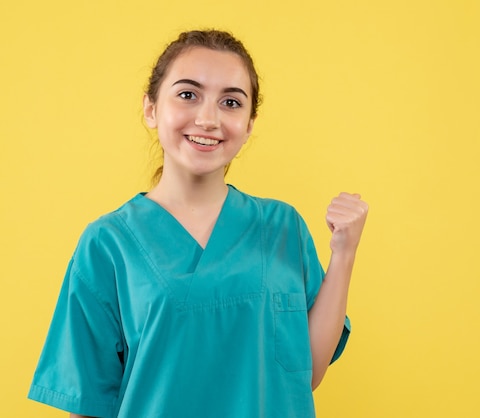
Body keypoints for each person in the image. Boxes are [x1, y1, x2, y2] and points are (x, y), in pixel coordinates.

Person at [28, 29, 368, 418]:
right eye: (188, 95)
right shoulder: (107, 244)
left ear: (249, 124)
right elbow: (87, 401)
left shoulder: (283, 227)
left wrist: (344, 254)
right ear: (151, 109)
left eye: (230, 102)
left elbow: (305, 372)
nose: (208, 119)